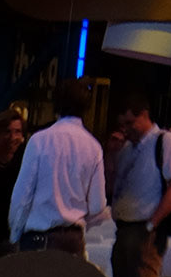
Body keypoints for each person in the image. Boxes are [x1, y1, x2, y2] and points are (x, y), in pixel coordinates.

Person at [107, 94, 171, 277]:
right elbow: (113, 187)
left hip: (145, 228)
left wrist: (152, 224)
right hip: (124, 228)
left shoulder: (165, 142)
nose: (126, 129)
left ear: (144, 115)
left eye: (130, 123)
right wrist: (111, 156)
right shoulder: (126, 149)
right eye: (122, 125)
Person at [9, 86, 107, 254]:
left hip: (39, 238)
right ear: (86, 108)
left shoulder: (39, 140)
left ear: (56, 106)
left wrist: (15, 235)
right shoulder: (94, 146)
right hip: (73, 240)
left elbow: (22, 196)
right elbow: (98, 205)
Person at [0, 110, 27, 251]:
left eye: (17, 132)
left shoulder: (24, 162)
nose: (13, 137)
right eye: (7, 132)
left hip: (14, 234)